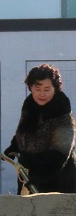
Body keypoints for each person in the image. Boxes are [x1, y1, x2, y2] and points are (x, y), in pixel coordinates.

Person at [4, 64, 76, 194]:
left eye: (47, 89)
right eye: (37, 89)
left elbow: (61, 153)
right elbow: (24, 130)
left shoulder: (61, 110)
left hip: (57, 179)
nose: (42, 94)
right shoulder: (29, 104)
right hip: (29, 174)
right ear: (30, 87)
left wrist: (39, 178)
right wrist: (14, 146)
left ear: (55, 88)